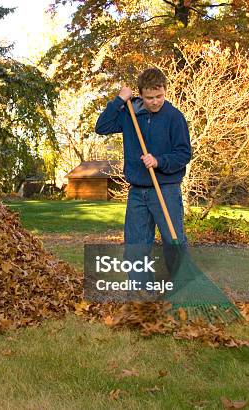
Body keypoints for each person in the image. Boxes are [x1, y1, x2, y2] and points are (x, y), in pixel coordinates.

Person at [95, 68, 191, 293]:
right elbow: (102, 127)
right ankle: (142, 293)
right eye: (149, 98)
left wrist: (159, 161)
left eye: (160, 96)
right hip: (138, 191)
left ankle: (181, 291)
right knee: (136, 247)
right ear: (140, 94)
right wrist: (119, 100)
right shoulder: (130, 113)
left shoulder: (174, 117)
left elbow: (184, 153)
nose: (155, 101)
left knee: (173, 242)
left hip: (165, 190)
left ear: (165, 91)